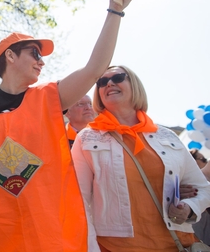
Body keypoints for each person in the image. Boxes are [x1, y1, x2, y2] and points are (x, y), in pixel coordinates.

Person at [0, 0, 133, 252]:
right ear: (10, 55)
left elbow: (94, 69)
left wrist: (115, 12)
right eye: (34, 53)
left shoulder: (49, 98)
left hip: (45, 234)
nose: (41, 61)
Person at [73, 65, 210, 251]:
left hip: (177, 243)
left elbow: (203, 189)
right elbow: (79, 202)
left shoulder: (167, 136)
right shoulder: (87, 138)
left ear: (135, 85)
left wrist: (189, 207)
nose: (110, 83)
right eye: (102, 81)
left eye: (118, 77)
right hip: (116, 247)